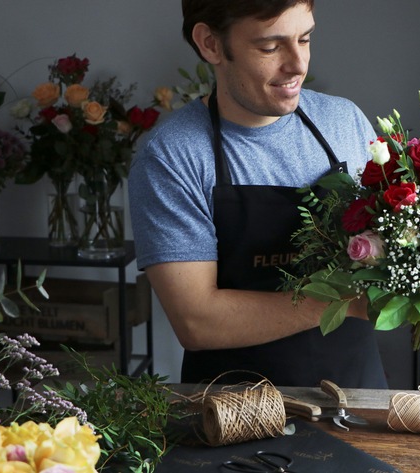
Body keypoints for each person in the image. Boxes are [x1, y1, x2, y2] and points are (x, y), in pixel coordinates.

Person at [128, 0, 387, 388]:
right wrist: (345, 302)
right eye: (270, 46)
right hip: (232, 413)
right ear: (210, 44)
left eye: (305, 38)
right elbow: (197, 321)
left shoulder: (344, 121)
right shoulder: (172, 155)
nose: (298, 64)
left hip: (359, 394)